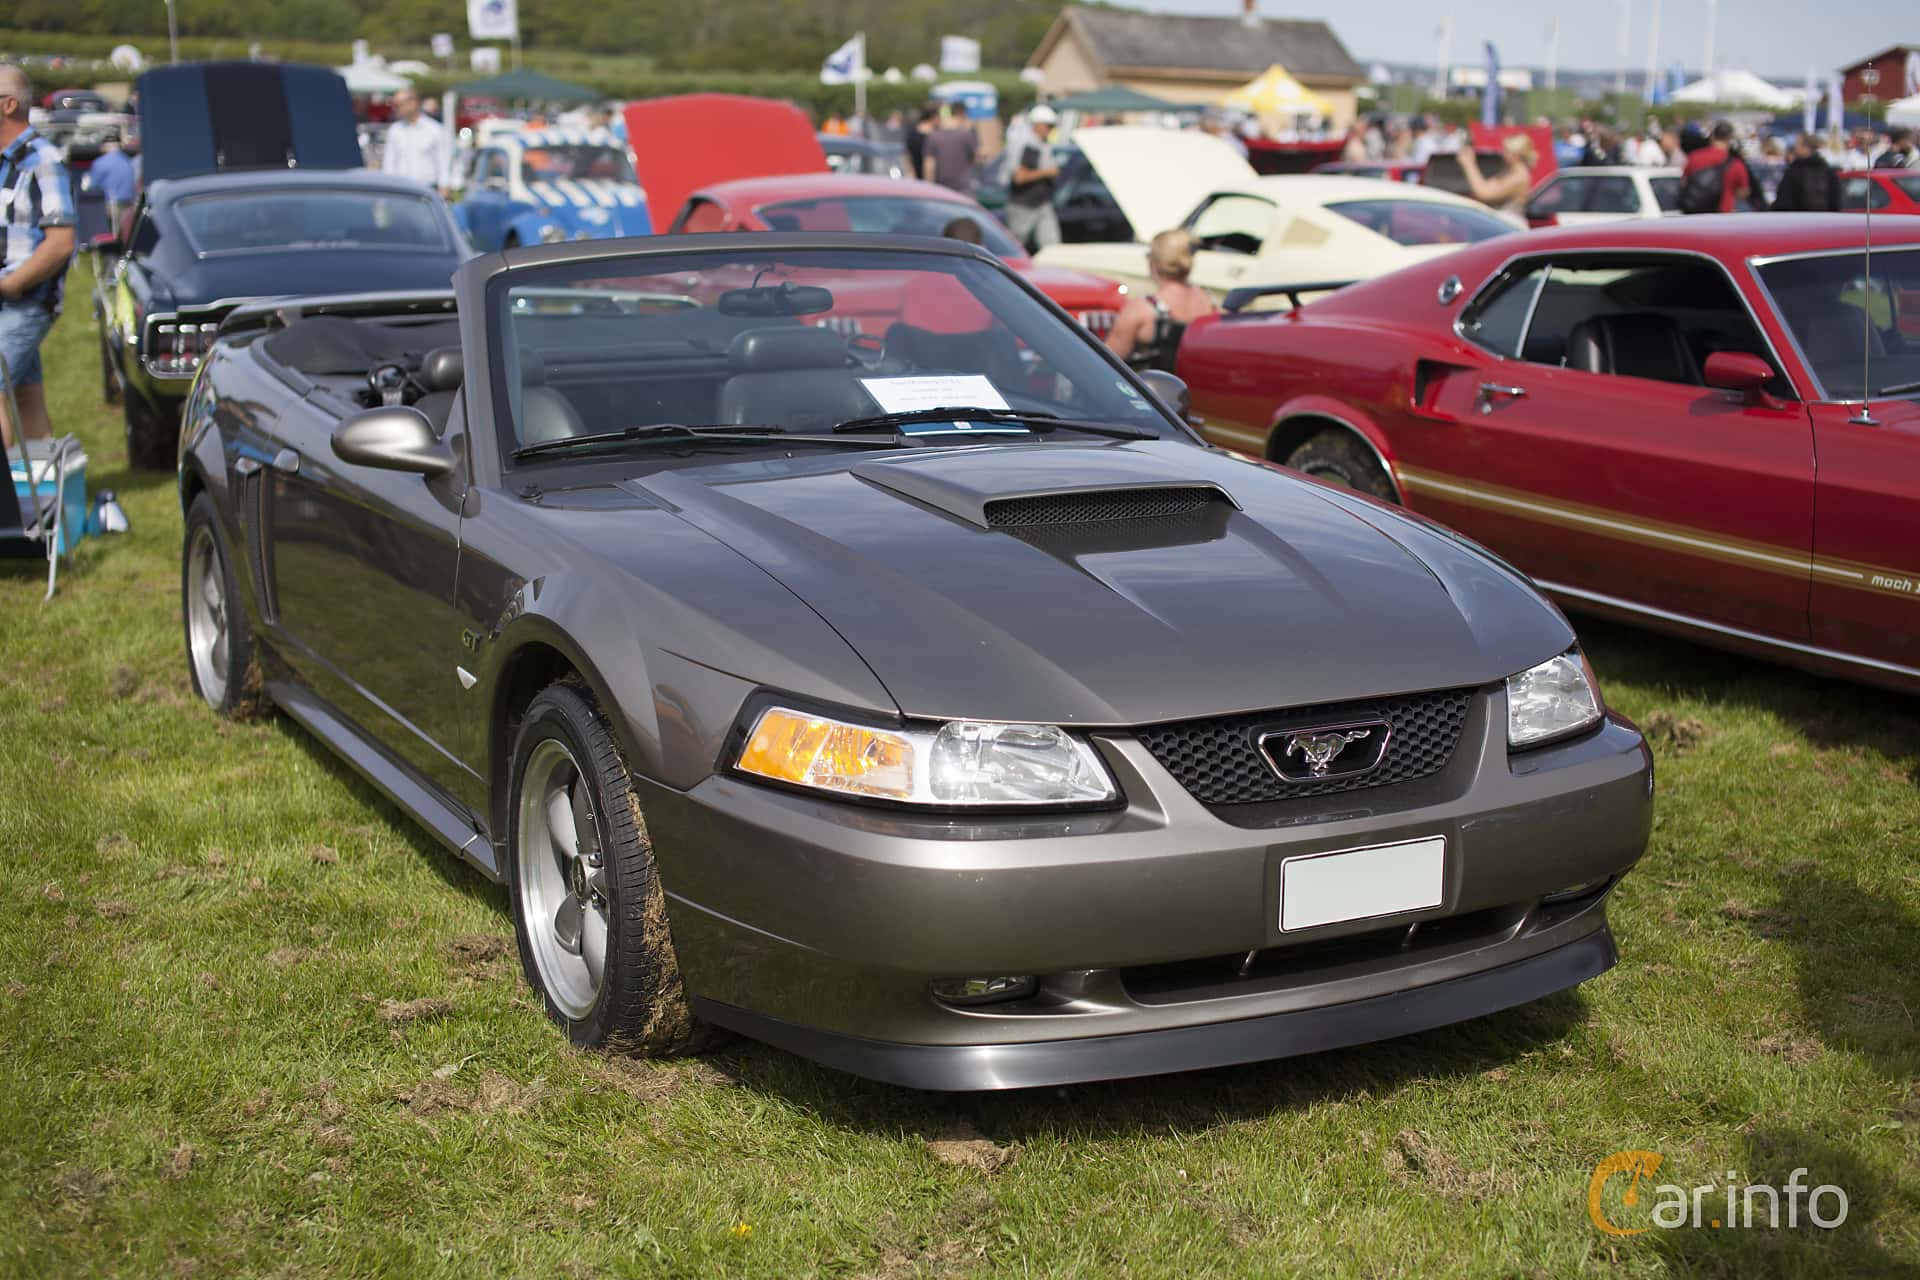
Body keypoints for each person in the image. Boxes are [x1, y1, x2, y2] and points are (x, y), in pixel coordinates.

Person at [0, 64, 74, 450]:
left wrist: (11, 284)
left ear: (9, 104)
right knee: (26, 397)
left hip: (24, 302)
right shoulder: (4, 163)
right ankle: (43, 482)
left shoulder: (42, 160)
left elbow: (61, 242)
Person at [1104, 229, 1216, 373]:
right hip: (1194, 384)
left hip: (1152, 387)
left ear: (1154, 263)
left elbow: (1107, 362)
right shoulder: (1208, 301)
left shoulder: (1141, 308)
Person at [1005, 104, 1062, 253]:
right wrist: (1047, 172)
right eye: (1048, 125)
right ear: (1037, 125)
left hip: (1041, 202)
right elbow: (1020, 177)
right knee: (1016, 248)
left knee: (1051, 246)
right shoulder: (1029, 145)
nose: (1050, 129)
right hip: (1024, 204)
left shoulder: (1041, 144)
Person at [380, 86, 452, 198]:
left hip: (427, 190)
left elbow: (443, 161)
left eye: (399, 105)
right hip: (399, 190)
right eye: (395, 105)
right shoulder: (395, 130)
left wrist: (444, 187)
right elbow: (389, 163)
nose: (395, 109)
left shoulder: (435, 130)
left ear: (413, 103)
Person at [1457, 133, 1537, 220]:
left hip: (1509, 223)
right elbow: (1487, 186)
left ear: (1515, 155)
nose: (1503, 154)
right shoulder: (1511, 172)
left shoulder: (1518, 177)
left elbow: (1484, 193)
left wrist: (1469, 164)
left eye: (1506, 151)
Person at [1678, 121, 1752, 214]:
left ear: (1712, 137)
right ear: (1730, 139)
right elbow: (1744, 192)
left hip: (1695, 215)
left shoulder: (1694, 157)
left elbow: (1683, 183)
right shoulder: (1736, 164)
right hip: (1722, 215)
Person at [1772, 134, 1841, 211]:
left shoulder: (1794, 172)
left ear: (1806, 148)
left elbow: (1784, 202)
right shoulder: (1828, 172)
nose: (1795, 148)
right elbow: (1835, 203)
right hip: (1824, 217)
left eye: (1798, 145)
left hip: (1798, 217)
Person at [88, 132, 139, 230]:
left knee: (116, 232)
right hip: (130, 202)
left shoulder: (100, 162)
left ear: (104, 146)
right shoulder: (129, 161)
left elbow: (92, 185)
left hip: (113, 203)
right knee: (129, 231)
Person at [921, 105, 976, 194]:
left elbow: (929, 166)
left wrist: (929, 189)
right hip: (963, 189)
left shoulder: (933, 137)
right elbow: (976, 159)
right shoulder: (966, 135)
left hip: (941, 190)